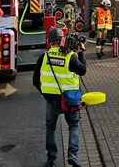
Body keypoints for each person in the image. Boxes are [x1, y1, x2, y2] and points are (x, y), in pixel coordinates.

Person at [33, 27, 87, 167]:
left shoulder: (43, 57)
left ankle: (52, 157)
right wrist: (81, 53)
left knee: (50, 128)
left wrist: (45, 93)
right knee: (74, 126)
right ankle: (72, 155)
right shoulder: (70, 56)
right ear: (62, 39)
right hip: (70, 100)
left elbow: (35, 80)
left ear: (49, 41)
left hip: (51, 100)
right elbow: (83, 70)